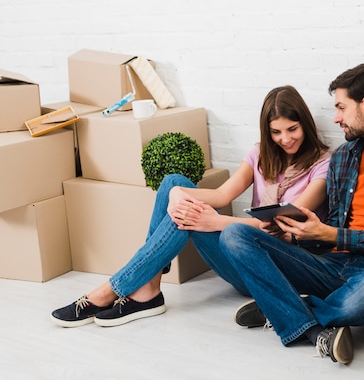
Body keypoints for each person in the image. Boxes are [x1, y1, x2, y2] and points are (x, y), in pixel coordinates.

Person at [51, 85, 331, 328]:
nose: (285, 138)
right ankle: (148, 288)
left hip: (270, 269)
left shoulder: (323, 164)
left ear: (305, 123)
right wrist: (174, 193)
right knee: (174, 183)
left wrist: (217, 223)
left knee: (189, 213)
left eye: (292, 129)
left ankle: (115, 290)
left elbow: (284, 225)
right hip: (234, 253)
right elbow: (222, 195)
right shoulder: (260, 154)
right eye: (276, 132)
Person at [220, 64, 364, 365]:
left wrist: (329, 234)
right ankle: (305, 320)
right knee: (235, 235)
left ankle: (282, 308)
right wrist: (298, 233)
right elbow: (334, 223)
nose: (336, 117)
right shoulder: (344, 157)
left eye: (341, 108)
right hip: (333, 262)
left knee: (363, 301)